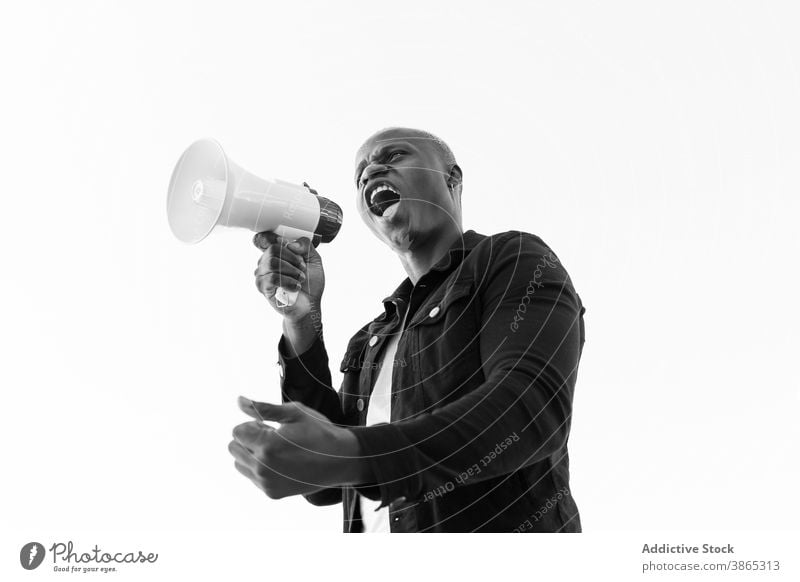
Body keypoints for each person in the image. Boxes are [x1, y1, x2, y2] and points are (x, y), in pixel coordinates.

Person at [228, 127, 586, 532]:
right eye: (360, 173)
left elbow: (531, 411)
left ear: (453, 179)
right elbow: (325, 485)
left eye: (394, 155)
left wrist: (355, 453)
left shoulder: (511, 259)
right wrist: (300, 319)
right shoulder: (371, 339)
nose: (370, 171)